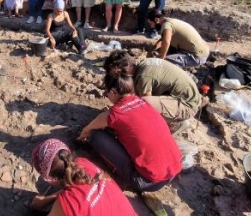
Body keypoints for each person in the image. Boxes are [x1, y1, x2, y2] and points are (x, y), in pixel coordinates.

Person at [77, 55, 182, 203]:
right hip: (173, 170)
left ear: (113, 92)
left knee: (96, 136)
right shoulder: (143, 102)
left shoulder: (113, 114)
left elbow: (87, 131)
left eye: (107, 93)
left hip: (148, 181)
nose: (106, 96)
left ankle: (123, 176)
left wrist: (80, 137)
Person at [105, 50, 203, 132]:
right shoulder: (143, 64)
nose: (120, 77)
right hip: (183, 96)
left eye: (119, 73)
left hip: (187, 105)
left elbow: (145, 108)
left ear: (127, 68)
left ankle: (176, 123)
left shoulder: (143, 77)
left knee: (142, 104)